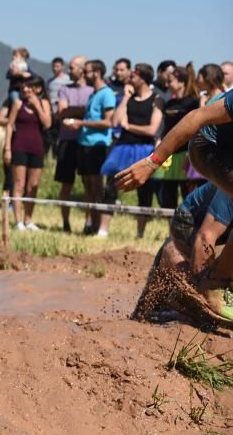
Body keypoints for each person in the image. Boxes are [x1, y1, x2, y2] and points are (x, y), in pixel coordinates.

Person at [115, 86, 233, 318]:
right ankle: (213, 286)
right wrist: (152, 163)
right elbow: (205, 237)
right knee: (165, 310)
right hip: (190, 225)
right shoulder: (226, 196)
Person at [132, 183, 233, 327]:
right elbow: (205, 236)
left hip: (214, 242)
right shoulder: (228, 187)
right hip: (188, 233)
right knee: (151, 313)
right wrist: (205, 290)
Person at [100, 63, 163, 238]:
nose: (129, 78)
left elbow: (152, 130)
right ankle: (103, 230)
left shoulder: (156, 99)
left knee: (144, 192)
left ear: (142, 78)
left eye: (133, 76)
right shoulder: (127, 96)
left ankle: (140, 234)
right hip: (122, 148)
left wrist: (130, 126)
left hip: (144, 148)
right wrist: (126, 98)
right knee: (111, 188)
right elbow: (115, 122)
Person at [63, 60, 115, 237]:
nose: (84, 75)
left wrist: (81, 123)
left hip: (97, 146)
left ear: (98, 72)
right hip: (84, 144)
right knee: (87, 187)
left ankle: (99, 226)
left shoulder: (107, 94)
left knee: (97, 186)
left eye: (87, 72)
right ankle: (91, 224)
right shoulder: (94, 93)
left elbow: (109, 122)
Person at [4, 76, 52, 230]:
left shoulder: (44, 103)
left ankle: (28, 220)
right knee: (18, 184)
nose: (25, 89)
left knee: (33, 186)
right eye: (23, 87)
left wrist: (37, 106)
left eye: (28, 86)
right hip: (19, 147)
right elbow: (10, 126)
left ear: (37, 88)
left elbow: (47, 124)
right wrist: (7, 148)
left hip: (37, 148)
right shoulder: (18, 104)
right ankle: (18, 221)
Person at [53, 56, 93, 233]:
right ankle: (65, 224)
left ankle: (89, 223)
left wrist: (73, 111)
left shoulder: (93, 90)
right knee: (66, 185)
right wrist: (85, 111)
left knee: (89, 185)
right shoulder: (64, 89)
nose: (69, 71)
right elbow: (61, 112)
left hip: (87, 142)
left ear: (83, 69)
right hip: (67, 141)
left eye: (72, 67)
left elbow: (69, 111)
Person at [154, 64, 199, 209]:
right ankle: (171, 230)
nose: (167, 85)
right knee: (167, 198)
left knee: (188, 196)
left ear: (181, 82)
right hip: (170, 156)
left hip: (187, 155)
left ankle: (189, 230)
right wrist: (159, 141)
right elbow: (166, 128)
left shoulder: (194, 102)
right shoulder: (169, 103)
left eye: (170, 81)